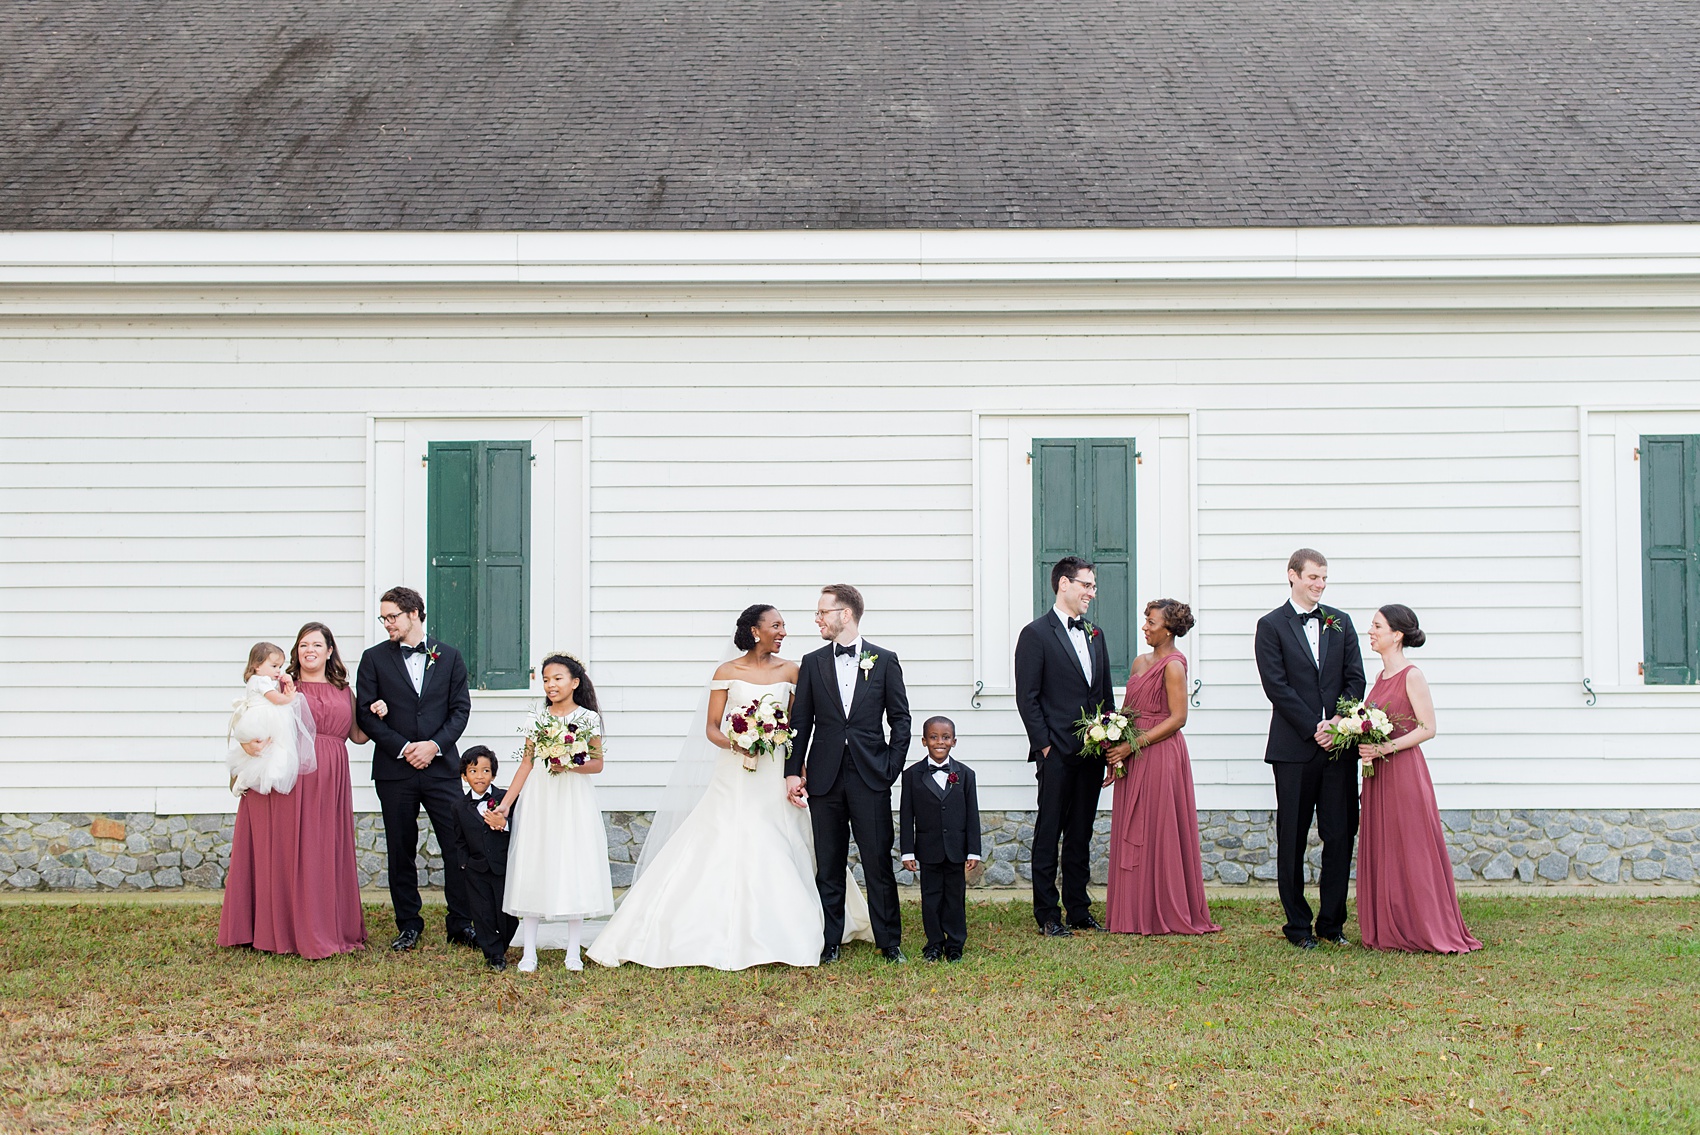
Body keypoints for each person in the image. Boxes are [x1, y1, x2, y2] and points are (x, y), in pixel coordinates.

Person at [590, 605, 874, 970]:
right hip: (734, 769)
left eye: (784, 625)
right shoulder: (727, 672)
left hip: (774, 769)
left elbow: (799, 724)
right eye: (776, 625)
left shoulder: (793, 670)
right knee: (720, 834)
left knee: (781, 837)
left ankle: (793, 926)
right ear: (756, 631)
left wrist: (797, 766)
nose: (783, 631)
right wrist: (736, 742)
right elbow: (711, 726)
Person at [220, 625, 368, 958]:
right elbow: (248, 714)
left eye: (317, 644)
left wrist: (380, 712)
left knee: (321, 849)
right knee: (285, 849)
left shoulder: (344, 690)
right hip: (288, 773)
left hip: (330, 776)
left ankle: (324, 924)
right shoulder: (282, 685)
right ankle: (278, 929)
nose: (310, 650)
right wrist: (247, 743)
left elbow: (358, 735)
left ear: (331, 650)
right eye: (303, 644)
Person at [787, 584, 912, 963]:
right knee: (829, 864)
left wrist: (890, 767)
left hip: (871, 776)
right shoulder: (812, 662)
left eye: (823, 612)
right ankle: (830, 942)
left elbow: (901, 720)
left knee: (877, 861)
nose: (817, 619)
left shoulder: (885, 660)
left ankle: (889, 942)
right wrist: (793, 773)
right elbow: (799, 723)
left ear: (845, 614)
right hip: (824, 779)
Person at [1254, 549, 1366, 949]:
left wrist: (1337, 724)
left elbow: (1356, 679)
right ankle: (1297, 927)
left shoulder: (1342, 623)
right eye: (1313, 577)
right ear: (1292, 576)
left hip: (1338, 749)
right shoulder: (1270, 625)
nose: (1319, 584)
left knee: (1339, 836)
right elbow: (1276, 686)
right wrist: (1313, 726)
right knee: (1293, 838)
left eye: (1323, 578)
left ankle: (1331, 924)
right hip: (1293, 750)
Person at [355, 585, 475, 953]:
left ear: (414, 614)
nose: (387, 624)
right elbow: (364, 713)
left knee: (457, 847)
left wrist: (434, 746)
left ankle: (460, 923)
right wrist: (405, 748)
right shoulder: (373, 659)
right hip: (395, 771)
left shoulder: (450, 657)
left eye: (392, 617)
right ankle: (408, 924)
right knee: (400, 848)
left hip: (440, 768)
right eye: (384, 618)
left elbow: (460, 710)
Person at [1356, 605, 1482, 954]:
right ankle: (1392, 924)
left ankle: (1426, 925)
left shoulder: (1412, 675)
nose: (1371, 630)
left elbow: (1428, 728)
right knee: (1386, 845)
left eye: (1377, 626)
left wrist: (1385, 749)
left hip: (1404, 771)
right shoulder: (1379, 678)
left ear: (1396, 635)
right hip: (1377, 774)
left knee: (1412, 847)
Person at [1014, 556, 1117, 937]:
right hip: (1056, 753)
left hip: (1092, 754)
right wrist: (1045, 748)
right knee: (1049, 830)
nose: (1092, 592)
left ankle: (1078, 908)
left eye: (1092, 586)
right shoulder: (1035, 634)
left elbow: (1103, 694)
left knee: (1081, 832)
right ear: (1064, 585)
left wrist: (1111, 747)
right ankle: (1047, 914)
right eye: (1086, 585)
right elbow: (1028, 697)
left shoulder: (1096, 634)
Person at [1104, 600, 1220, 936]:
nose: (1145, 627)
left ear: (1168, 629)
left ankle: (1161, 910)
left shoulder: (1173, 666)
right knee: (1132, 827)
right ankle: (1131, 910)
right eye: (1145, 620)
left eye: (1151, 622)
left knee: (1157, 829)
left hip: (1159, 755)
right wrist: (1113, 748)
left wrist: (1134, 745)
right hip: (1132, 754)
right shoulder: (1140, 662)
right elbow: (1127, 712)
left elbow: (1178, 718)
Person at [496, 654, 615, 972]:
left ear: (574, 682)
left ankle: (573, 951)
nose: (551, 684)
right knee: (537, 860)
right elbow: (526, 764)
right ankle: (529, 951)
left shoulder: (588, 718)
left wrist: (571, 764)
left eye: (558, 678)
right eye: (546, 679)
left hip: (573, 797)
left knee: (572, 861)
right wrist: (506, 804)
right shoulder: (535, 719)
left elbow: (598, 763)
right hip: (541, 797)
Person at [900, 717, 982, 962]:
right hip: (928, 849)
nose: (940, 742)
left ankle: (955, 944)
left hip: (956, 849)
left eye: (945, 737)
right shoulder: (912, 775)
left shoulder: (966, 775)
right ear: (924, 741)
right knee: (931, 897)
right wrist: (907, 851)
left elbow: (972, 815)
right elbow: (906, 816)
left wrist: (974, 851)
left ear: (954, 741)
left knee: (955, 897)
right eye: (934, 737)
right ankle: (934, 943)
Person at [454, 746, 522, 971]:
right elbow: (458, 838)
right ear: (464, 775)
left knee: (506, 914)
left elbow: (521, 828)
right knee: (482, 914)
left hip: (503, 866)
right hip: (476, 868)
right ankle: (494, 955)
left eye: (485, 771)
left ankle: (502, 944)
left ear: (493, 774)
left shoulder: (505, 798)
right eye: (473, 771)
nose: (479, 776)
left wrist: (505, 825)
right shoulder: (459, 806)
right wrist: (465, 863)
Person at [225, 643, 313, 796]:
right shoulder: (261, 681)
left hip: (259, 717)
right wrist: (289, 697)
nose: (278, 670)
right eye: (274, 666)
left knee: (264, 753)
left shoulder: (257, 680)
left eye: (279, 666)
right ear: (257, 666)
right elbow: (275, 698)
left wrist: (288, 684)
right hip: (264, 719)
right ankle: (252, 777)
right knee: (274, 748)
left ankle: (248, 777)